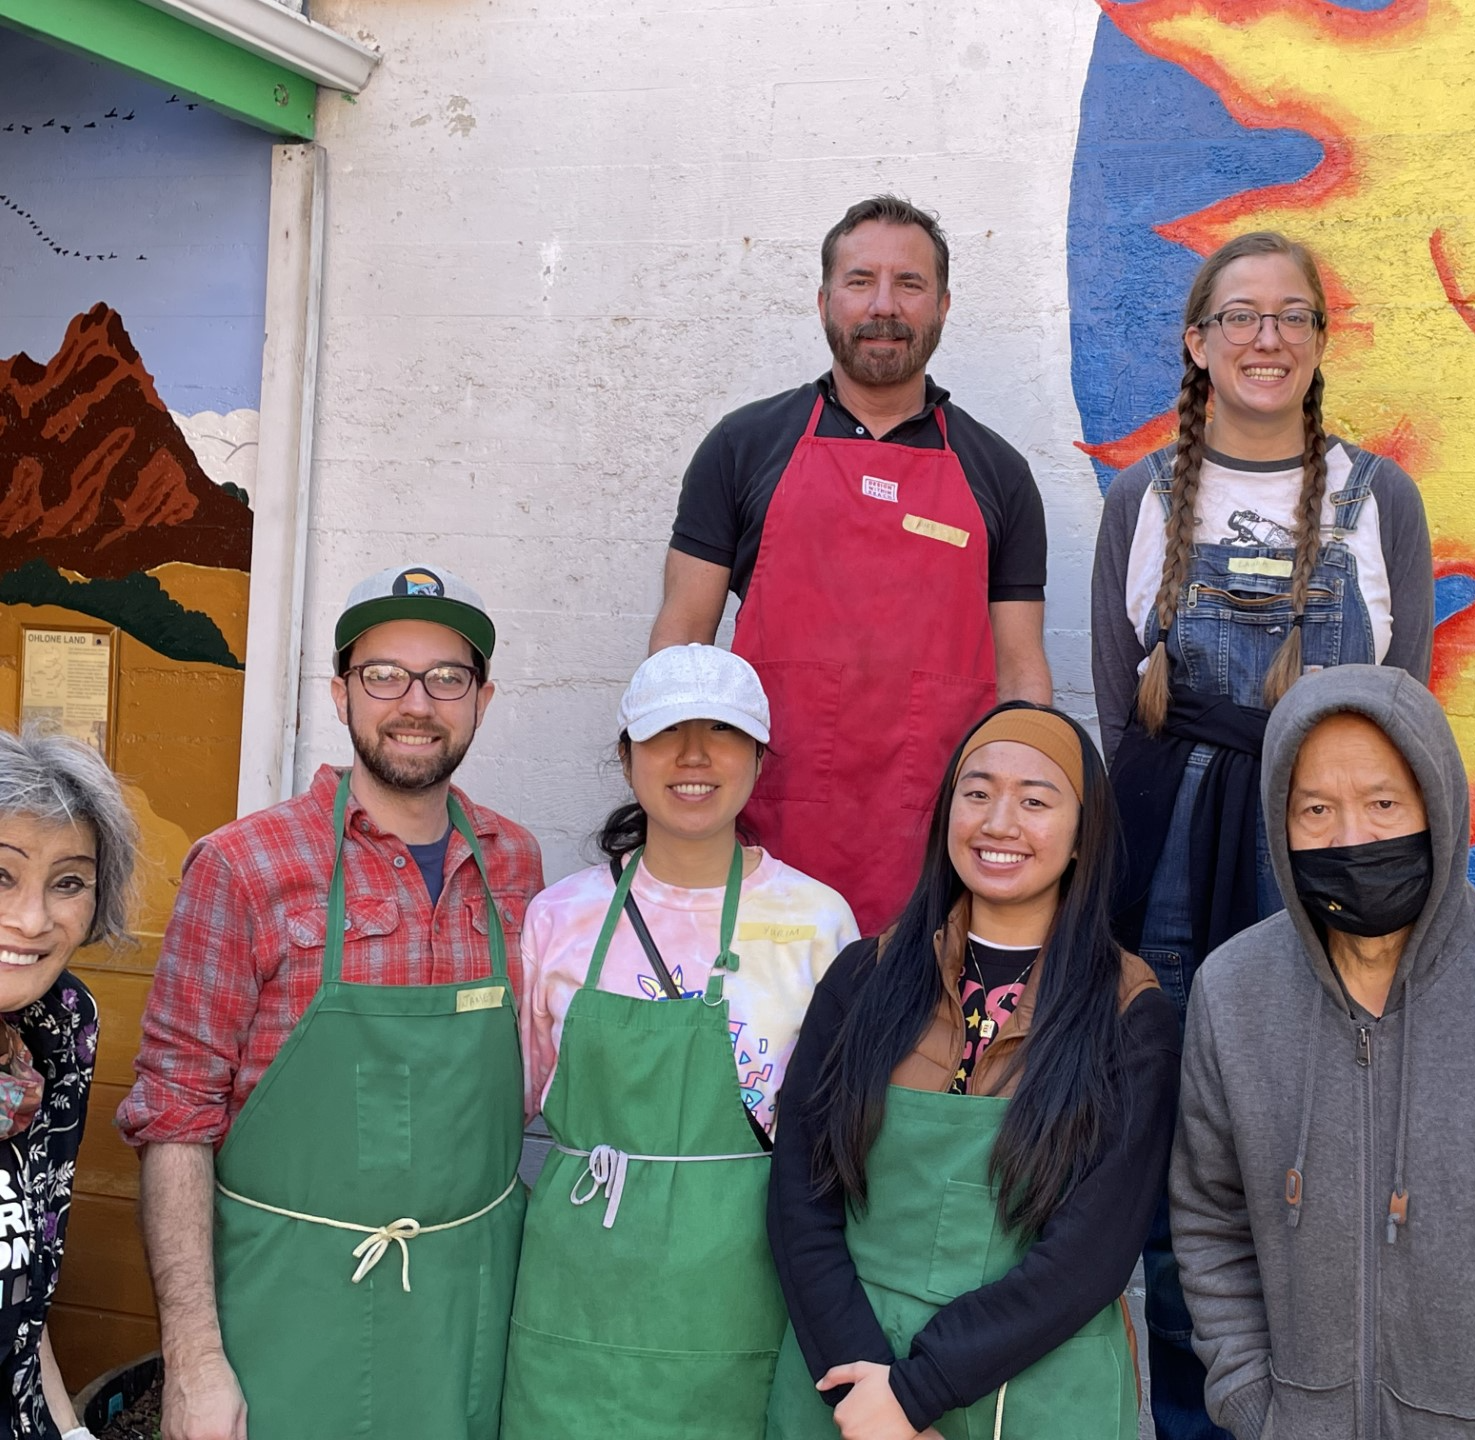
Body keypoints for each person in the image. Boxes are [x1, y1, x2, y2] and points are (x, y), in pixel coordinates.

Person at [1090, 230, 1434, 1440]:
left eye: (1291, 316)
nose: (1265, 338)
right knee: (1188, 1140)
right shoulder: (1139, 499)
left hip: (1325, 864)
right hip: (1170, 862)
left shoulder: (1376, 496)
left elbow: (1407, 723)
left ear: (1318, 342)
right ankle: (1199, 1406)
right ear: (1195, 342)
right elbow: (1109, 709)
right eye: (1239, 315)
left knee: (1329, 1130)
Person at [117, 564, 544, 1440]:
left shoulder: (515, 862)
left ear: (482, 698)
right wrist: (195, 1358)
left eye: (446, 678)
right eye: (384, 674)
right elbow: (174, 1118)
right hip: (287, 1309)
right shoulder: (244, 866)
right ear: (341, 691)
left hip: (467, 1310)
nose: (414, 702)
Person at [766, 703, 1180, 1439]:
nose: (998, 823)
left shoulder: (1128, 1012)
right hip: (851, 1385)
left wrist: (914, 1395)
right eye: (977, 792)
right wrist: (865, 1395)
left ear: (1082, 834)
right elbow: (800, 1199)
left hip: (1038, 1393)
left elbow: (1093, 1255)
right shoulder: (864, 979)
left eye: (1034, 801)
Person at [651, 195, 1051, 935]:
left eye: (909, 284)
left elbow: (1022, 676)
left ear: (942, 305)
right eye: (860, 280)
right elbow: (679, 645)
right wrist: (682, 808)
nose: (883, 306)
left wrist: (1021, 821)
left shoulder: (998, 473)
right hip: (765, 826)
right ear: (823, 299)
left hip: (937, 841)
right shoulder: (742, 448)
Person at [503, 643, 858, 1439]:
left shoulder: (818, 922)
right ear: (627, 756)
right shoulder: (559, 919)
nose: (693, 757)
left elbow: (839, 1142)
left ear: (758, 759)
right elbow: (510, 1111)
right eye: (666, 734)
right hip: (576, 1300)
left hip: (740, 1295)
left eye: (722, 734)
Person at [1172, 664, 1475, 1438]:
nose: (1350, 838)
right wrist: (1253, 1404)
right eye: (1315, 809)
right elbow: (1209, 1216)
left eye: (1381, 804)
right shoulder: (1230, 992)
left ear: (1435, 804)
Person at [0, 728, 137, 1440]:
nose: (32, 919)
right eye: (2, 874)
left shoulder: (59, 1030)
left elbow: (24, 1291)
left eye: (69, 882)